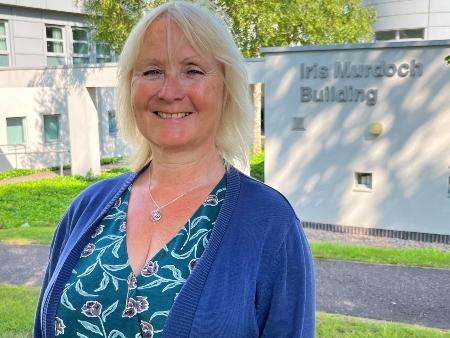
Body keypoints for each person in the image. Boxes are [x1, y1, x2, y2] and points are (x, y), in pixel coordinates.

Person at [34, 1, 315, 337]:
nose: (169, 92)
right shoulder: (86, 207)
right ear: (130, 87)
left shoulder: (270, 222)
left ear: (226, 89)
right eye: (152, 71)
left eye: (193, 70)